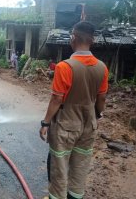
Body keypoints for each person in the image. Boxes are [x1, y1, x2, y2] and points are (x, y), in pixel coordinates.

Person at [39, 21, 108, 199]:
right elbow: (101, 99)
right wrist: (97, 115)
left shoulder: (65, 66)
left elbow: (56, 99)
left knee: (59, 167)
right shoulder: (102, 67)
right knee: (80, 168)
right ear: (91, 40)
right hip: (88, 125)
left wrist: (45, 122)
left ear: (73, 39)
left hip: (66, 125)